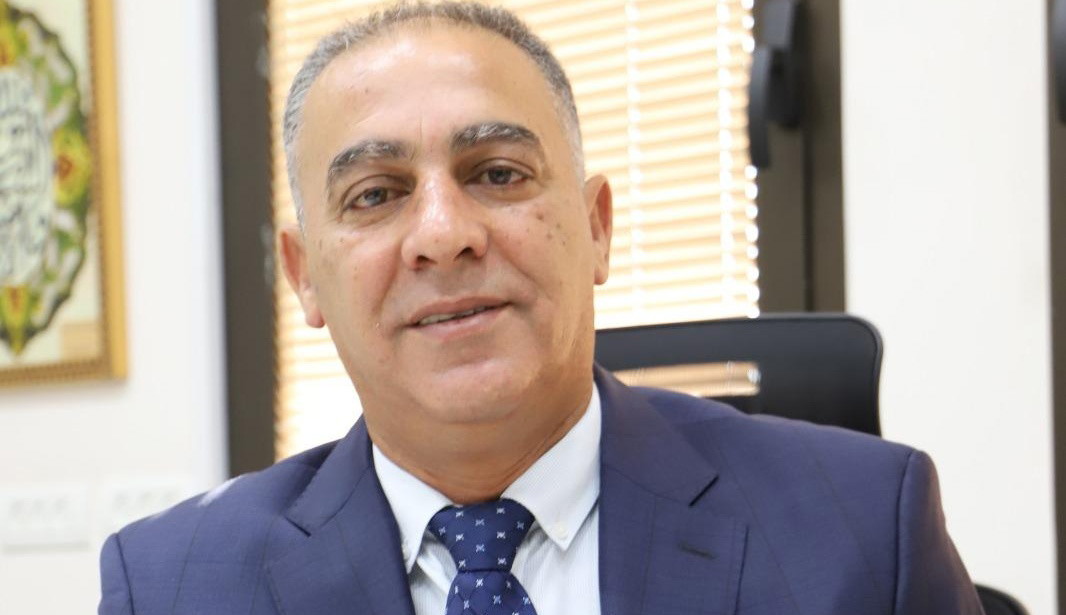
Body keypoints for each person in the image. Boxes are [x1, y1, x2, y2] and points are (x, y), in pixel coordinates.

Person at [98, 2, 984, 614]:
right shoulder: (171, 587)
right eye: (376, 194)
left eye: (497, 173)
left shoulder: (865, 533)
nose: (443, 234)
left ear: (596, 229)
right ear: (304, 278)